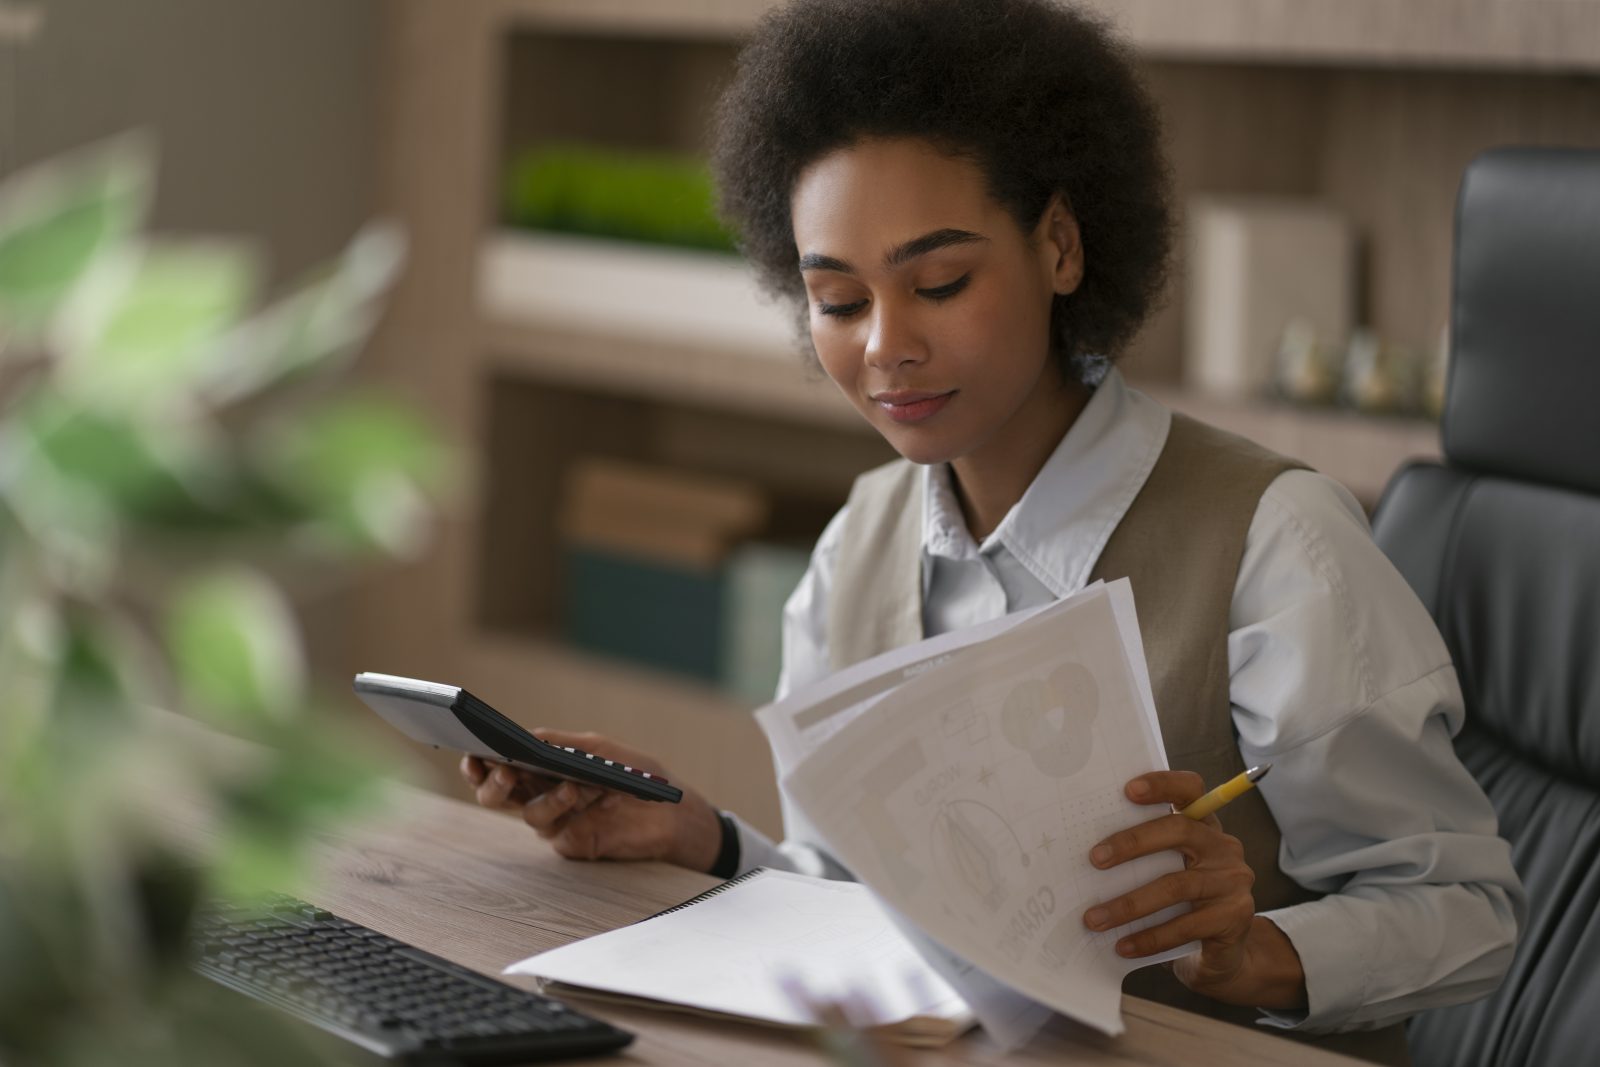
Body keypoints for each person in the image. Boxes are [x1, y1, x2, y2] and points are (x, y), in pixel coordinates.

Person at [462, 1, 1522, 1061]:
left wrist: (1257, 952)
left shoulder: (1273, 542)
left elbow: (1468, 910)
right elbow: (864, 907)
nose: (886, 347)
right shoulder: (858, 547)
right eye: (836, 300)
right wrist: (705, 838)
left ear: (1059, 245)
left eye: (938, 283)